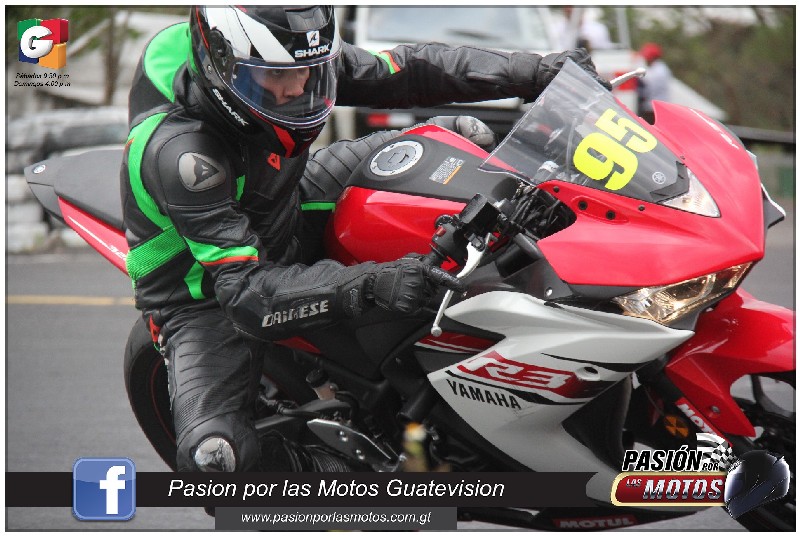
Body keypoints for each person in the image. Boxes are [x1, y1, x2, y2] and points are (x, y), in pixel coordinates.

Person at [120, 5, 610, 474]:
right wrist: (375, 283)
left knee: (462, 139)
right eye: (276, 79)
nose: (298, 88)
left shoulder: (280, 56)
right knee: (216, 461)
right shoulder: (183, 156)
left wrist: (538, 72)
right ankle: (334, 479)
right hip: (206, 293)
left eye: (309, 72)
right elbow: (246, 295)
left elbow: (405, 70)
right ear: (221, 65)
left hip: (289, 198)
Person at [637, 42, 672, 124]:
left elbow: (648, 86)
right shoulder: (655, 67)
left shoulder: (659, 71)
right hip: (651, 107)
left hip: (654, 108)